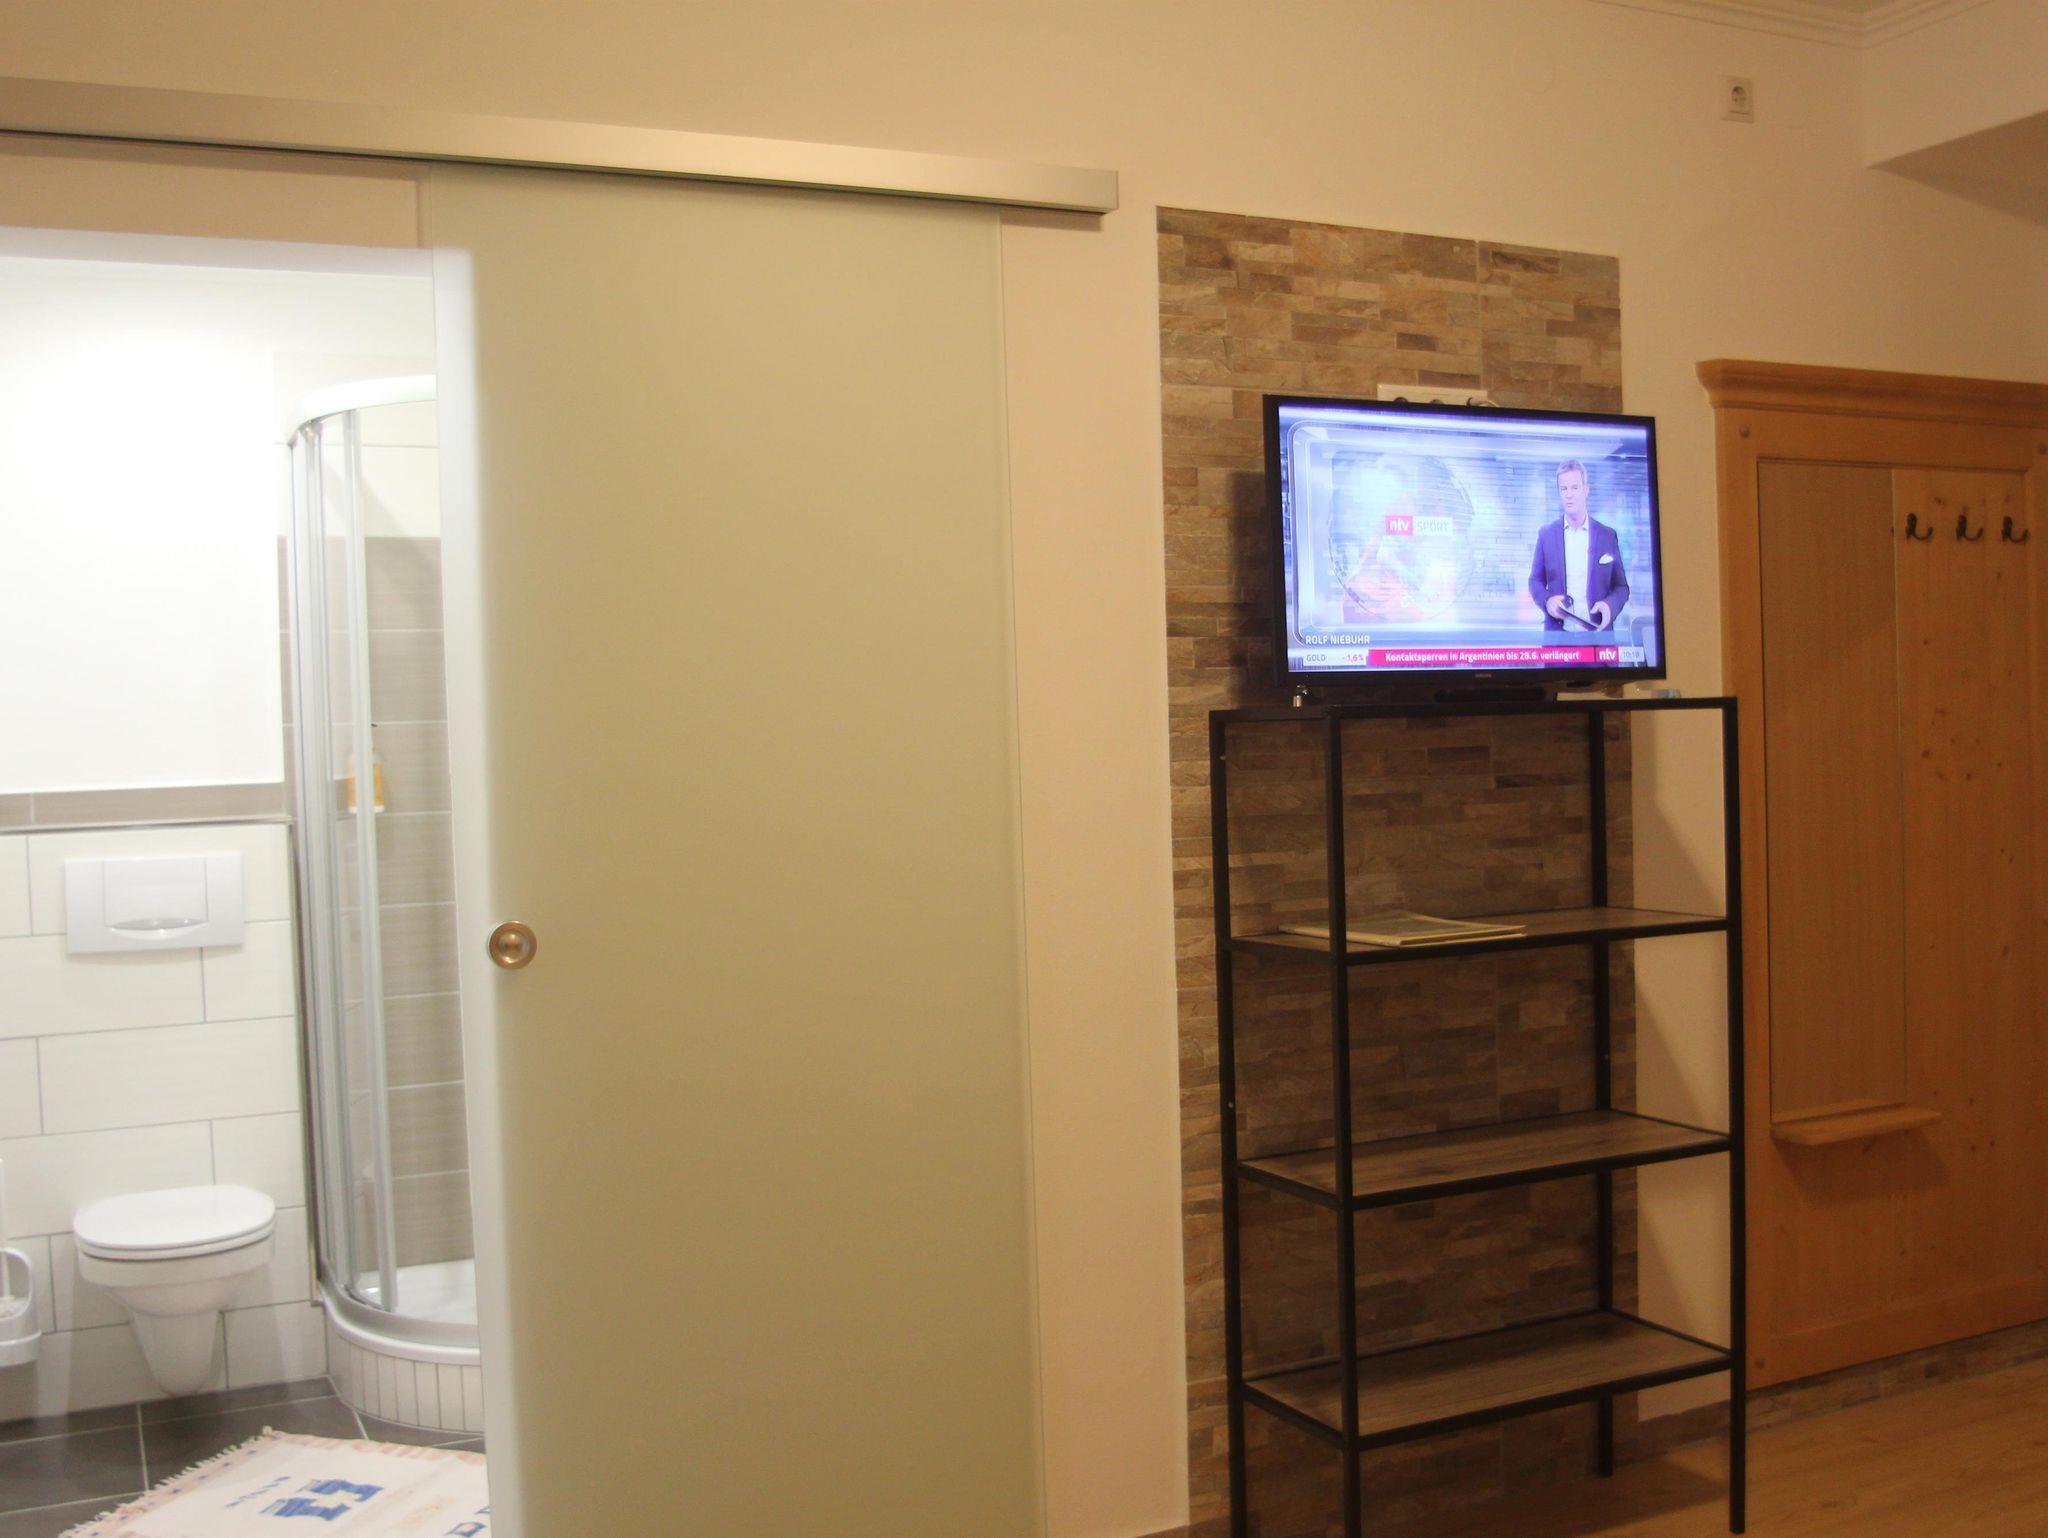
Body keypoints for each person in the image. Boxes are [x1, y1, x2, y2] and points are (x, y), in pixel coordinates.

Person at [1527, 459, 1629, 633]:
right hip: (1558, 640)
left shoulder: (1607, 536)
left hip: (1598, 639)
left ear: (1586, 490)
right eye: (1564, 489)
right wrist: (1548, 601)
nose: (1569, 495)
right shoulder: (1546, 535)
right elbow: (1535, 581)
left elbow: (1621, 587)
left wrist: (1609, 606)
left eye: (1574, 488)